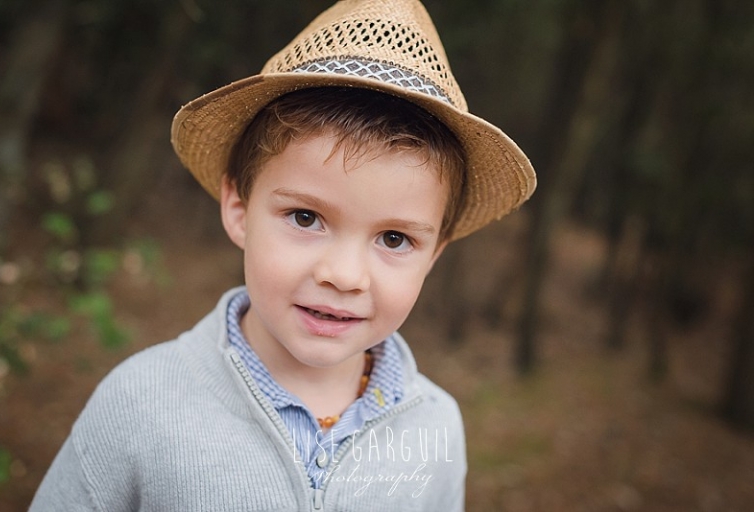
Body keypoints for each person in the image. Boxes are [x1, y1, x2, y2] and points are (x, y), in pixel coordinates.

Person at [29, 0, 535, 510]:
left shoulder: (435, 429)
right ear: (239, 210)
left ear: (434, 255)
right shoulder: (140, 403)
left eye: (394, 239)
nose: (344, 276)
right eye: (305, 217)